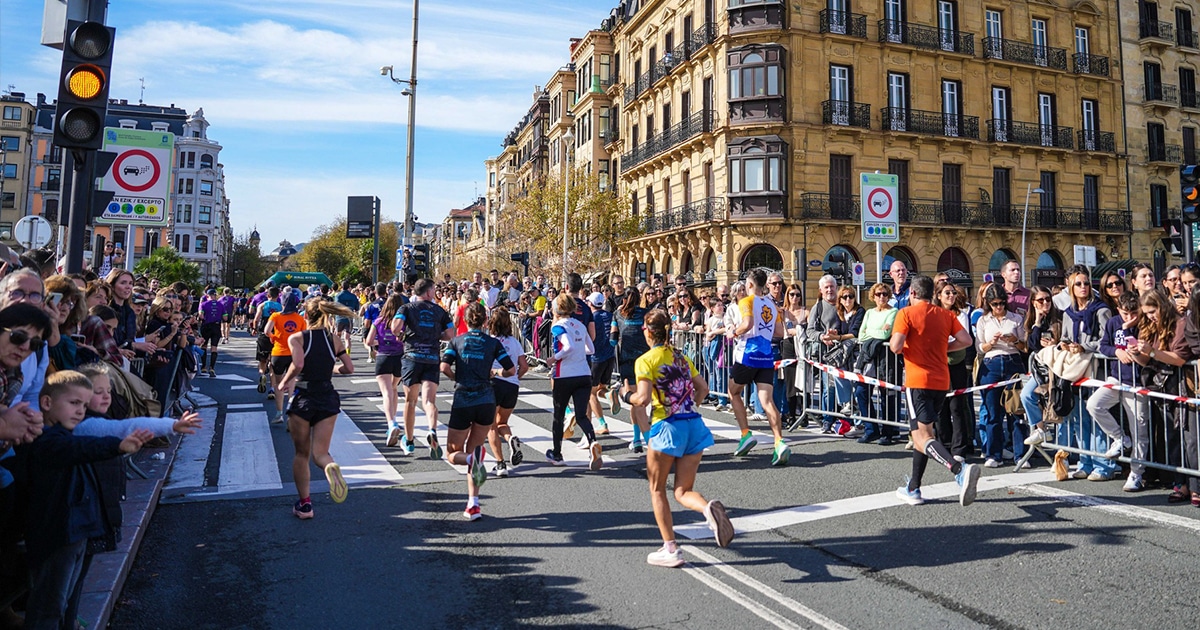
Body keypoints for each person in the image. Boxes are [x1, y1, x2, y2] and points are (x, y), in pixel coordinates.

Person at [17, 370, 153, 629]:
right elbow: (78, 450)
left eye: (83, 404)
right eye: (73, 403)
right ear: (46, 403)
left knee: (62, 599)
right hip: (58, 533)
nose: (80, 411)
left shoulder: (67, 436)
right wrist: (117, 445)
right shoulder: (47, 441)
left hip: (76, 532)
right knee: (50, 604)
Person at [626, 309, 733, 568]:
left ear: (648, 332)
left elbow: (641, 398)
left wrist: (624, 395)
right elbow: (704, 387)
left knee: (657, 489)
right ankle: (708, 510)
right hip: (693, 425)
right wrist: (691, 407)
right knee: (683, 490)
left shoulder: (646, 360)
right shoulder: (682, 357)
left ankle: (671, 548)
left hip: (667, 427)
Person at [889, 274, 979, 506]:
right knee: (923, 435)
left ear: (913, 294)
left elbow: (896, 346)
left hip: (917, 380)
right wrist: (945, 347)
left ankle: (958, 469)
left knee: (922, 436)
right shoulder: (946, 314)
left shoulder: (906, 313)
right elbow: (967, 340)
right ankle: (913, 487)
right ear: (932, 294)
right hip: (941, 381)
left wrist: (905, 342)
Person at [277, 298, 355, 518]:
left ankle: (305, 505)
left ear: (305, 315)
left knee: (301, 454)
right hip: (328, 397)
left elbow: (298, 364)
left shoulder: (297, 338)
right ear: (327, 315)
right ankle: (330, 468)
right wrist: (332, 370)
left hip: (304, 396)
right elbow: (349, 368)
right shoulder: (335, 340)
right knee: (320, 453)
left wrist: (284, 381)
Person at [440, 302, 516, 520]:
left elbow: (444, 367)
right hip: (486, 399)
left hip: (463, 397)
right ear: (484, 321)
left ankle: (472, 467)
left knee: (453, 454)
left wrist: (457, 377)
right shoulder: (493, 343)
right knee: (475, 451)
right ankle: (473, 504)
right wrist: (494, 373)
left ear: (464, 320)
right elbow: (511, 370)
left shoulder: (456, 341)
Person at [1060, 264, 1116, 481]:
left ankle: (1103, 464)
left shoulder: (1101, 310)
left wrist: (1085, 347)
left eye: (1086, 283)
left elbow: (1105, 341)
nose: (1083, 287)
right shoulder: (1068, 313)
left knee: (1095, 417)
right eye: (1078, 284)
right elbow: (1064, 336)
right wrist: (1065, 345)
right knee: (1079, 417)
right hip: (1075, 370)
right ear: (1071, 287)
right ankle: (1085, 460)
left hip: (1096, 369)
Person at [728, 268, 790, 465]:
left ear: (751, 284)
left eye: (747, 283)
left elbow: (747, 323)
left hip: (748, 354)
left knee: (733, 392)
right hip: (766, 355)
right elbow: (780, 331)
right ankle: (779, 442)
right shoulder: (771, 304)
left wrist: (734, 333)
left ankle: (746, 434)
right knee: (767, 400)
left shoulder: (746, 301)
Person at [391, 278, 455, 459]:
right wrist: (436, 335)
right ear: (428, 292)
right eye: (434, 290)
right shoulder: (440, 311)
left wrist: (402, 335)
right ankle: (432, 430)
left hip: (412, 357)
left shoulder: (406, 308)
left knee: (410, 402)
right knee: (429, 401)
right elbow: (451, 334)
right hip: (432, 358)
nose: (435, 292)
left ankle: (410, 442)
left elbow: (395, 327)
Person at [545, 293, 601, 468]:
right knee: (581, 415)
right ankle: (593, 441)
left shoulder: (558, 327)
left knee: (559, 415)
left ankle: (557, 453)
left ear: (557, 309)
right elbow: (590, 349)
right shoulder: (580, 325)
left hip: (564, 375)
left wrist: (554, 358)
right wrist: (578, 352)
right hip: (583, 373)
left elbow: (567, 346)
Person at [976, 283, 1028, 468]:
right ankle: (993, 454)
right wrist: (991, 343)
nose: (999, 307)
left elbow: (1024, 346)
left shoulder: (1015, 318)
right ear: (989, 304)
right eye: (995, 304)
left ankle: (1020, 454)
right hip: (991, 362)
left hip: (1012, 360)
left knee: (1016, 410)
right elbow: (979, 347)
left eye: (1001, 303)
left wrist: (1014, 340)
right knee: (993, 412)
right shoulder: (984, 320)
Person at [485, 307, 529, 477]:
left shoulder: (490, 341)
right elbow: (524, 366)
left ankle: (500, 463)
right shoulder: (514, 342)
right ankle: (510, 439)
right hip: (511, 385)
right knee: (502, 422)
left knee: (491, 426)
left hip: (494, 383)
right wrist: (516, 377)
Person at [856, 282, 899, 445]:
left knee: (886, 394)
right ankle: (871, 429)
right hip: (868, 357)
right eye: (878, 294)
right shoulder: (869, 313)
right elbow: (861, 335)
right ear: (873, 296)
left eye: (885, 294)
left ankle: (888, 432)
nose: (882, 297)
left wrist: (871, 333)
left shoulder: (893, 312)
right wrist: (876, 334)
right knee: (861, 391)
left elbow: (886, 333)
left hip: (885, 358)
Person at [1022, 286, 1063, 448]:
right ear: (1033, 303)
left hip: (1057, 368)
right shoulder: (1033, 321)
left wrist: (1055, 344)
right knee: (1026, 395)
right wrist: (1037, 323)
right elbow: (1031, 345)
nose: (1045, 303)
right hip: (1040, 370)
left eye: (1048, 299)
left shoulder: (1059, 317)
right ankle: (1040, 428)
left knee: (1058, 407)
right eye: (1041, 300)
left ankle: (1064, 452)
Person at [367, 294, 409, 449]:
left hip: (383, 357)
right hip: (399, 357)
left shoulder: (378, 321)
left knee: (386, 392)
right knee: (393, 388)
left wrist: (380, 341)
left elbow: (369, 341)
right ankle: (394, 418)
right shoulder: (402, 322)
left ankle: (391, 423)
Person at [613, 286, 650, 452]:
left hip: (626, 360)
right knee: (639, 402)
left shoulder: (617, 314)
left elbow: (613, 340)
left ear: (624, 300)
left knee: (635, 401)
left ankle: (641, 439)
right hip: (645, 360)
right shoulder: (646, 313)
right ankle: (640, 440)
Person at [264, 290, 306, 423]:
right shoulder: (299, 318)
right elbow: (304, 335)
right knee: (292, 384)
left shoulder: (275, 316)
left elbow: (266, 331)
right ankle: (291, 415)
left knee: (278, 384)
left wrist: (275, 337)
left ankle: (278, 413)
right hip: (294, 353)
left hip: (278, 353)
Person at [586, 292, 616, 437]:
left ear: (590, 304)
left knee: (591, 393)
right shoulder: (610, 315)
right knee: (601, 389)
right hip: (610, 356)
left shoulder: (591, 318)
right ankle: (609, 394)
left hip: (596, 358)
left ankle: (602, 423)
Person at [197, 288, 225, 377]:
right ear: (215, 295)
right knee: (214, 348)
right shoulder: (220, 305)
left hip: (206, 326)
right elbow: (225, 318)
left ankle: (203, 367)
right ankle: (212, 368)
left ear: (207, 295)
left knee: (204, 345)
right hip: (216, 326)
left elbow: (201, 315)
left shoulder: (203, 304)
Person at [334, 281, 361, 353]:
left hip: (339, 318)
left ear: (341, 287)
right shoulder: (353, 296)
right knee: (347, 338)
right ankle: (348, 354)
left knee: (338, 337)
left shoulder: (338, 296)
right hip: (349, 319)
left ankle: (337, 354)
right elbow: (357, 308)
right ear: (349, 287)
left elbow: (335, 307)